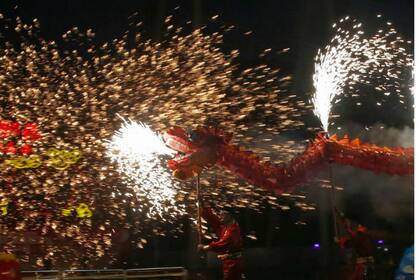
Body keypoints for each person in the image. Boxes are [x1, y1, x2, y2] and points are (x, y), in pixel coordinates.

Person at [198, 205, 244, 280]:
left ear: (229, 216)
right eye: (220, 214)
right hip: (228, 262)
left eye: (222, 214)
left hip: (233, 264)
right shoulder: (226, 225)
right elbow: (214, 220)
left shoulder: (233, 230)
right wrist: (203, 210)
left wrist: (204, 247)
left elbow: (222, 244)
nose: (220, 216)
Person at [334, 210, 375, 280]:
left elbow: (350, 243)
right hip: (361, 265)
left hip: (365, 265)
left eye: (348, 222)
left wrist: (339, 241)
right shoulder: (358, 232)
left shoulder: (361, 233)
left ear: (354, 222)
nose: (346, 224)